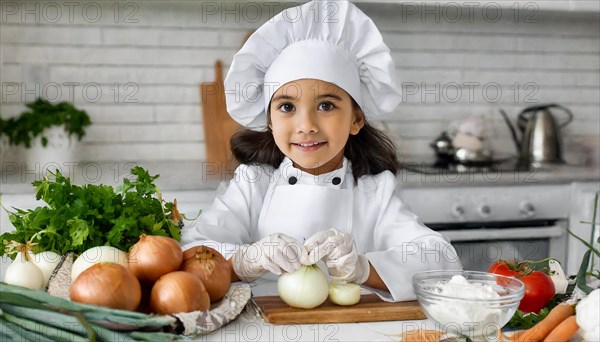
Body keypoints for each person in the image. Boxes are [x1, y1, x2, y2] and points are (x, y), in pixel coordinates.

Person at [181, 0, 462, 302]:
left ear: (356, 119)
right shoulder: (253, 184)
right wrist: (244, 261)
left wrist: (364, 268)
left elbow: (440, 260)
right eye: (287, 107)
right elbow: (191, 254)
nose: (306, 126)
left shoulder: (374, 193)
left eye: (326, 106)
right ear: (270, 121)